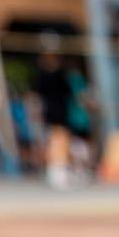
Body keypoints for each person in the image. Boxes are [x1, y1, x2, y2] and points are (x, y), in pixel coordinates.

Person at [34, 45, 78, 187]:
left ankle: (58, 170)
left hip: (56, 111)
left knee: (58, 140)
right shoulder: (55, 75)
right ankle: (57, 170)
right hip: (56, 111)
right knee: (57, 140)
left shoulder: (48, 75)